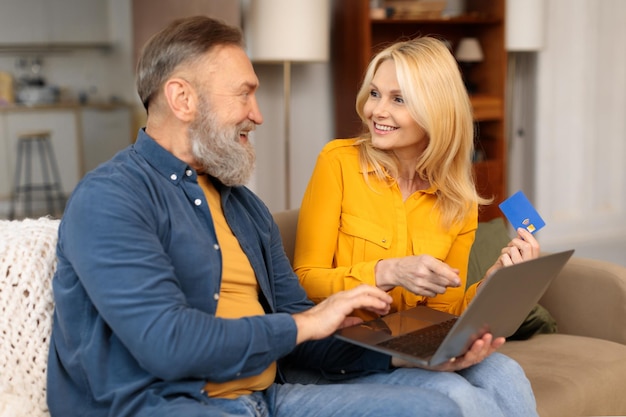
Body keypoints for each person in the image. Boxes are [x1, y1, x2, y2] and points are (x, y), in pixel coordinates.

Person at [45, 16, 513, 417]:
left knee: (441, 407)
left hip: (267, 398)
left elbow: (307, 330)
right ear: (183, 99)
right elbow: (167, 343)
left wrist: (410, 358)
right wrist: (306, 323)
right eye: (244, 94)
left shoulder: (245, 208)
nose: (258, 114)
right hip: (173, 404)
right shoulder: (112, 198)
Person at [294, 37, 540, 416]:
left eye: (398, 99)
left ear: (436, 111)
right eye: (375, 93)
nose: (376, 109)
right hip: (349, 344)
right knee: (453, 395)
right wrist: (385, 272)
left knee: (507, 374)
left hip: (415, 338)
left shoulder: (459, 200)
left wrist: (494, 281)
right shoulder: (338, 163)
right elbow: (304, 280)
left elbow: (445, 311)